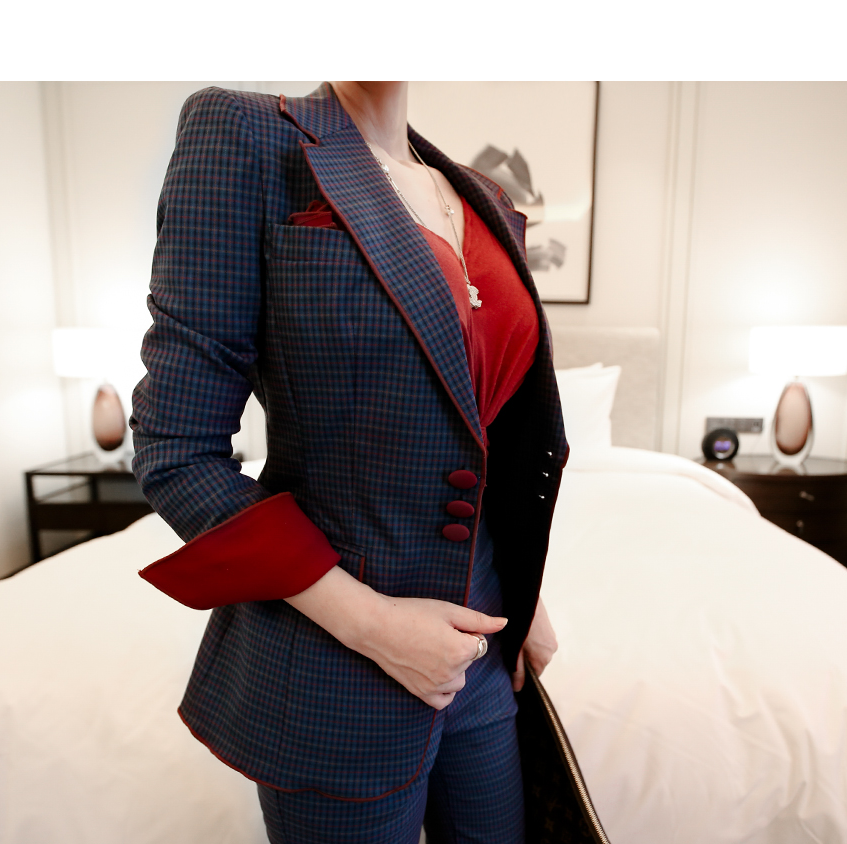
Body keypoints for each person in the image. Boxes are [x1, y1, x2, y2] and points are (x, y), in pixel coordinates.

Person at [131, 81, 568, 844]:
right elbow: (176, 449)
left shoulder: (486, 199)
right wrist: (373, 625)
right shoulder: (243, 137)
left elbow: (485, 429)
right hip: (335, 668)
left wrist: (523, 594)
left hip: (484, 645)